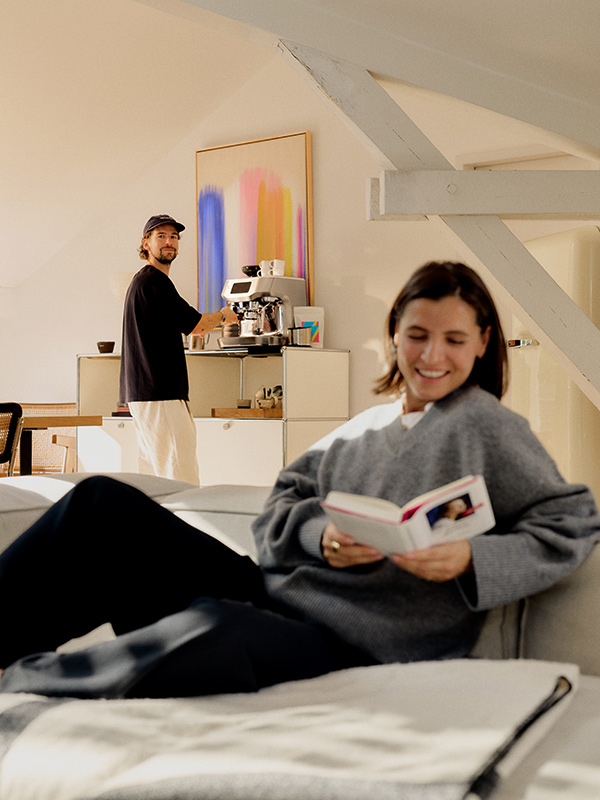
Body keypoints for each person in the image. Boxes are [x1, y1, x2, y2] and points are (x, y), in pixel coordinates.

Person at [0, 261, 598, 699]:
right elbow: (281, 505)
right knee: (102, 503)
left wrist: (471, 559)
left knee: (219, 631)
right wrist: (322, 537)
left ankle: (28, 683)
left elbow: (573, 519)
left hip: (353, 645)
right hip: (272, 594)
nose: (432, 355)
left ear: (483, 343)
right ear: (395, 333)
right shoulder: (366, 427)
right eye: (417, 335)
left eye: (454, 339)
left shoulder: (489, 427)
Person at [119, 214, 237, 485]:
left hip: (143, 394)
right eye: (160, 236)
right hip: (160, 392)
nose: (168, 242)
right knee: (180, 475)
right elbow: (196, 325)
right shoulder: (155, 282)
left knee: (154, 477)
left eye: (173, 237)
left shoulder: (142, 281)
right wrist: (224, 315)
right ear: (146, 244)